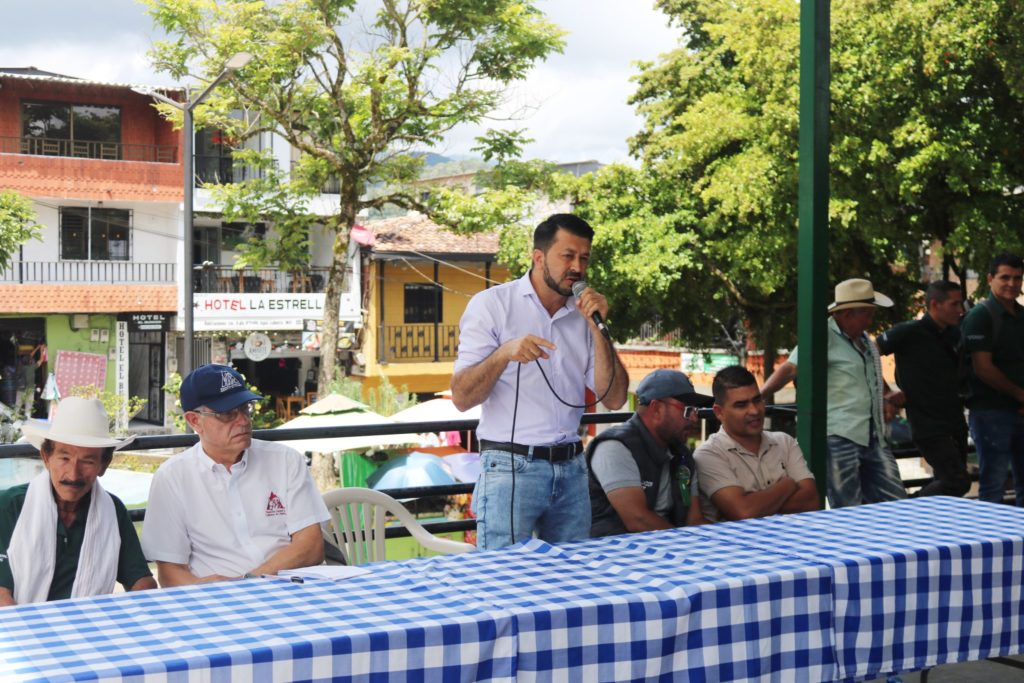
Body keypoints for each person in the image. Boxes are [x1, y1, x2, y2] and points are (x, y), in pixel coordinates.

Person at [451, 213, 628, 550]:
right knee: (503, 579)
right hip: (509, 467)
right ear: (538, 257)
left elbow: (615, 397)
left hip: (572, 466)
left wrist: (598, 329)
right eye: (568, 256)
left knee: (571, 581)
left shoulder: (584, 315)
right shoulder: (492, 305)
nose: (577, 267)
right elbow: (461, 396)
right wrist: (504, 353)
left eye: (584, 258)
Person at [141, 364, 329, 585]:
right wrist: (214, 590)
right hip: (217, 600)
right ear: (194, 421)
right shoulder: (173, 477)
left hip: (291, 585)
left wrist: (248, 582)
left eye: (245, 408)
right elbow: (170, 573)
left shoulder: (286, 460)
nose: (243, 421)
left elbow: (312, 546)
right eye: (227, 413)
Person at [761, 278, 906, 507]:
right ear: (847, 315)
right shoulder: (824, 335)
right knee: (848, 507)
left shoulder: (863, 340)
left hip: (872, 432)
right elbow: (791, 368)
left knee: (895, 502)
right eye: (867, 314)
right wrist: (760, 396)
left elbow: (871, 378)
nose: (871, 320)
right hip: (839, 434)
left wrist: (886, 397)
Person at [0, 397, 156, 606]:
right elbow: (2, 596)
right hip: (23, 630)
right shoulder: (9, 507)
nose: (73, 474)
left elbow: (141, 583)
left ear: (104, 465)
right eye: (64, 458)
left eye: (88, 461)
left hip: (89, 626)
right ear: (46, 458)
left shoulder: (112, 511)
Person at [587, 369, 710, 536]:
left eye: (695, 411)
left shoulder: (682, 455)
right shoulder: (615, 447)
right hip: (613, 551)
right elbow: (637, 520)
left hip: (665, 545)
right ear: (657, 408)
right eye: (688, 410)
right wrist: (687, 541)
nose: (695, 419)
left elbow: (694, 519)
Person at [877, 280, 970, 497]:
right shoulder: (907, 332)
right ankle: (909, 506)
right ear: (935, 305)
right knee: (957, 482)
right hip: (927, 424)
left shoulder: (955, 334)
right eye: (954, 304)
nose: (960, 310)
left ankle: (933, 526)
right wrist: (886, 392)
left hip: (955, 421)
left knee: (952, 491)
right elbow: (867, 354)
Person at [695, 366, 818, 522]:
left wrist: (754, 502)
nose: (754, 410)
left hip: (789, 539)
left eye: (757, 400)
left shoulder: (785, 442)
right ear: (719, 412)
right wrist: (787, 485)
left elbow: (812, 501)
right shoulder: (708, 455)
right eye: (741, 405)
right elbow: (744, 511)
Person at [962, 253, 1024, 504]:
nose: (1011, 283)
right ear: (990, 279)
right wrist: (1021, 394)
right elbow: (982, 368)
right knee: (992, 486)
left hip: (1019, 411)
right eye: (1005, 277)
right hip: (990, 412)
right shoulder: (980, 316)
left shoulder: (1021, 314)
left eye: (1017, 278)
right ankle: (992, 544)